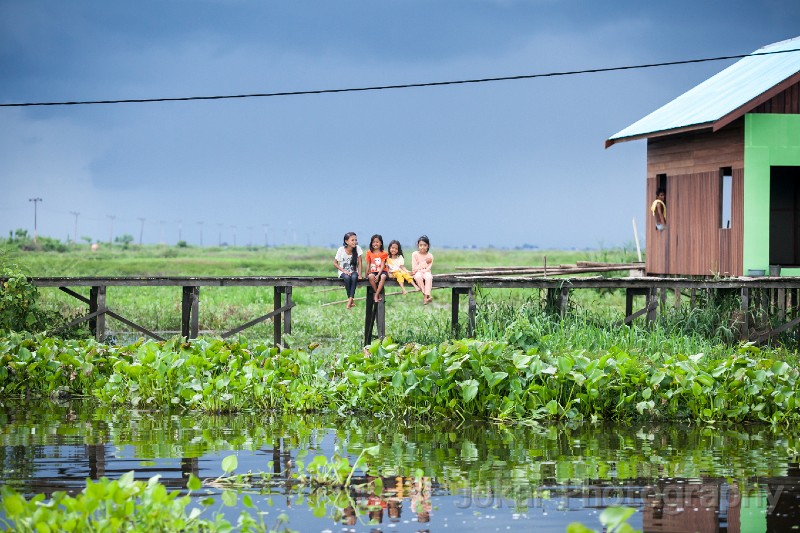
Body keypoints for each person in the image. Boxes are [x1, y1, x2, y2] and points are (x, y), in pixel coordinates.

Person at [334, 232, 363, 309]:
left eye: (355, 240)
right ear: (346, 241)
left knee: (354, 277)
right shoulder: (341, 250)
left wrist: (360, 274)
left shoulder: (357, 248)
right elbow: (335, 263)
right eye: (352, 240)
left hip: (354, 271)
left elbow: (360, 262)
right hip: (343, 272)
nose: (354, 242)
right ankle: (350, 300)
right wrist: (344, 271)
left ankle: (350, 300)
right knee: (347, 278)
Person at [366, 234, 390, 302]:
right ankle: (377, 293)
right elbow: (368, 264)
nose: (375, 244)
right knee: (370, 276)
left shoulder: (384, 253)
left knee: (383, 277)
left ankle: (376, 295)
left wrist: (378, 275)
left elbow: (382, 265)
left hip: (382, 271)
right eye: (373, 242)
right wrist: (366, 273)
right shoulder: (369, 252)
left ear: (381, 243)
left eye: (377, 242)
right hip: (373, 271)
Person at [412, 235, 434, 304]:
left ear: (428, 246)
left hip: (426, 271)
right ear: (418, 245)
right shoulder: (415, 254)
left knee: (429, 277)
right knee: (418, 277)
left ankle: (425, 298)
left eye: (425, 245)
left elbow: (428, 267)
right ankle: (427, 296)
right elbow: (414, 267)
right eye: (421, 245)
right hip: (418, 272)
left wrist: (422, 269)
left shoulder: (430, 256)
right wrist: (424, 263)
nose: (422, 247)